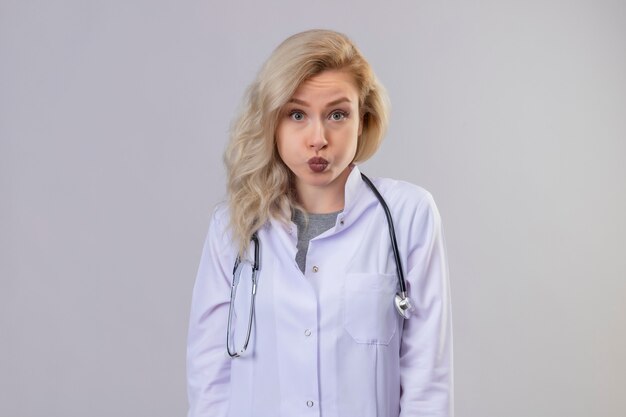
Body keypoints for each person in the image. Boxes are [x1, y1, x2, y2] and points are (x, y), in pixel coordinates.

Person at [186, 29, 453, 417]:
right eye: (297, 115)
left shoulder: (408, 215)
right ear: (272, 122)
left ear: (363, 121)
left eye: (337, 115)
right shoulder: (233, 225)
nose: (318, 138)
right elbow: (209, 377)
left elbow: (427, 380)